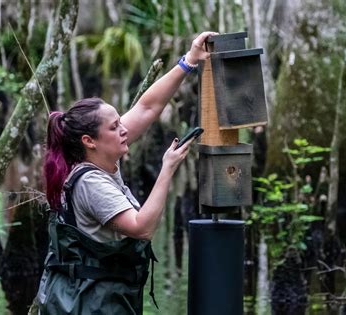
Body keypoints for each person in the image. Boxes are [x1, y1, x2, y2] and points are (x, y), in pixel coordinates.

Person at [37, 32, 217, 314]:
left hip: (100, 299)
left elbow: (147, 107)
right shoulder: (91, 183)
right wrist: (167, 168)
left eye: (119, 122)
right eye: (113, 127)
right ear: (89, 141)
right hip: (87, 304)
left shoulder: (100, 153)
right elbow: (141, 227)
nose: (123, 130)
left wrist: (189, 61)